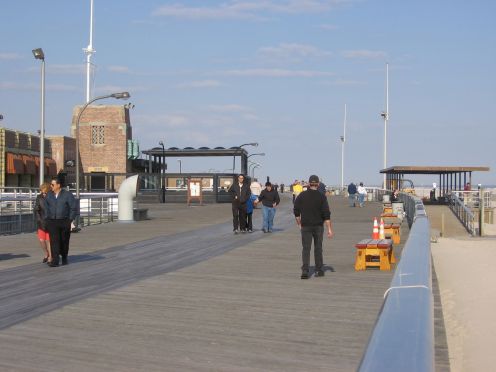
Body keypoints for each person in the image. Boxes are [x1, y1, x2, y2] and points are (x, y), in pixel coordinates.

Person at [294, 175, 333, 279]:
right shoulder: (322, 196)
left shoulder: (302, 195)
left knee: (306, 248)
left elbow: (296, 211)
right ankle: (319, 270)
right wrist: (329, 229)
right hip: (318, 226)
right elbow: (326, 214)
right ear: (318, 184)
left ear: (309, 183)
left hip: (306, 226)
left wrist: (299, 223)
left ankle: (305, 271)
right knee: (318, 248)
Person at [45, 177, 78, 267]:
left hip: (64, 221)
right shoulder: (49, 195)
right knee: (54, 241)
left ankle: (64, 256)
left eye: (53, 184)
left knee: (64, 240)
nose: (51, 186)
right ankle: (55, 260)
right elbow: (46, 208)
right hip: (52, 221)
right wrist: (47, 219)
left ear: (58, 185)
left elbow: (73, 208)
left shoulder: (67, 195)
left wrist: (70, 219)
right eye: (51, 184)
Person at [34, 182, 52, 264]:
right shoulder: (39, 197)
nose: (43, 193)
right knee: (41, 240)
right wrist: (38, 219)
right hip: (41, 221)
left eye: (44, 191)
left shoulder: (51, 197)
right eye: (42, 191)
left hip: (49, 221)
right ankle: (46, 253)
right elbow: (36, 209)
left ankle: (50, 257)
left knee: (48, 240)